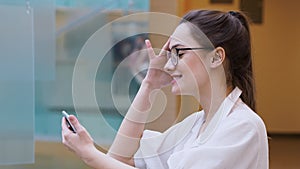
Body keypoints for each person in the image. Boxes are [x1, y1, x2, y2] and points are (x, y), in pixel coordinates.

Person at [61, 9, 269, 169]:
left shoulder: (244, 126)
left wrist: (89, 154)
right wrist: (149, 84)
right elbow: (120, 157)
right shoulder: (195, 125)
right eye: (170, 55)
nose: (169, 65)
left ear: (216, 57)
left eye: (179, 53)